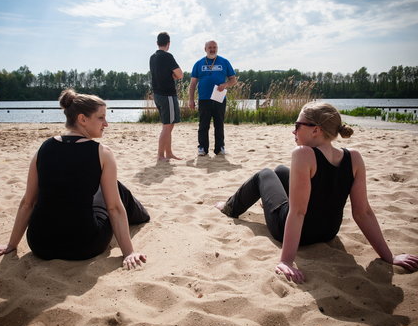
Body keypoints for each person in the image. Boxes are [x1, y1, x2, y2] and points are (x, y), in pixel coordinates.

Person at [216, 102, 418, 283]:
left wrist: (286, 261)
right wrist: (389, 257)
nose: (293, 131)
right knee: (280, 170)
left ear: (316, 130)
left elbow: (298, 212)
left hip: (296, 230)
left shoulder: (303, 154)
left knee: (265, 174)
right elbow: (362, 212)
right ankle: (261, 202)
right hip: (328, 230)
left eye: (297, 126)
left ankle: (229, 208)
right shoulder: (354, 157)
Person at [0, 89, 150, 269]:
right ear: (82, 119)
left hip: (40, 244)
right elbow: (114, 208)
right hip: (85, 245)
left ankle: (138, 215)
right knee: (114, 188)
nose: (106, 124)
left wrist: (11, 245)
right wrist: (129, 253)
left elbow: (28, 202)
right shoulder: (102, 152)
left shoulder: (44, 148)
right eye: (101, 118)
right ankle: (143, 216)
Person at [188, 40, 237, 156]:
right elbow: (193, 83)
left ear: (217, 48)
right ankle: (202, 148)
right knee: (203, 124)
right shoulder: (199, 63)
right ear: (205, 49)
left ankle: (220, 148)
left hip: (219, 98)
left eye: (214, 47)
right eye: (210, 47)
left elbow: (233, 80)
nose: (212, 49)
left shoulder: (224, 62)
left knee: (219, 124)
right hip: (204, 99)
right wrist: (191, 99)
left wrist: (225, 85)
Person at [149, 32, 184, 161]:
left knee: (169, 124)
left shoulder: (152, 57)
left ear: (157, 43)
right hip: (167, 94)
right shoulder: (167, 56)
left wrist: (171, 75)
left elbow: (162, 74)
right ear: (168, 43)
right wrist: (174, 75)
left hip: (158, 94)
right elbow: (180, 74)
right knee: (167, 125)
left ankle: (168, 153)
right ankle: (160, 155)